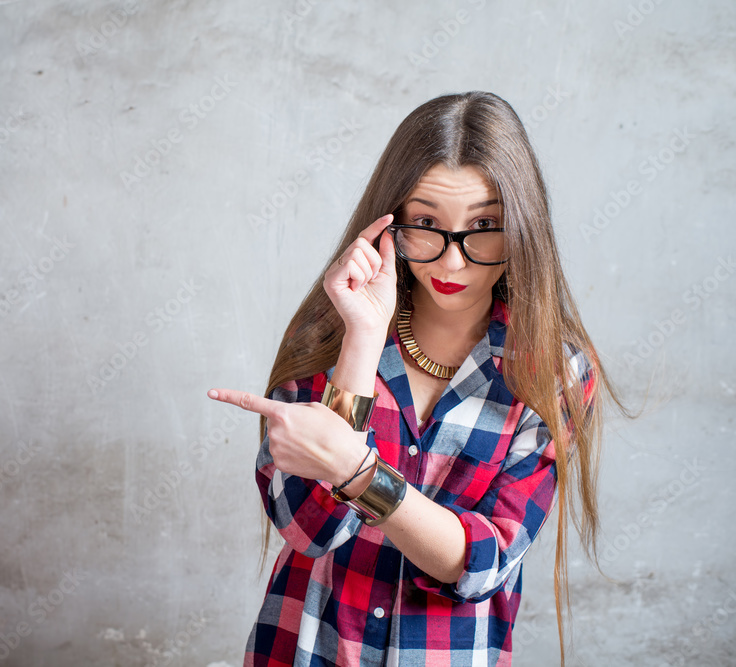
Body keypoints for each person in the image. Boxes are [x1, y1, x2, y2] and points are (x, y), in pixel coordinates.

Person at [207, 91, 622, 666]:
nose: (452, 262)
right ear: (391, 221)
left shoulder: (555, 374)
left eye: (484, 225)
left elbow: (482, 563)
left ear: (523, 227)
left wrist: (357, 474)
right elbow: (306, 527)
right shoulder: (330, 336)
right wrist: (360, 342)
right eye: (426, 223)